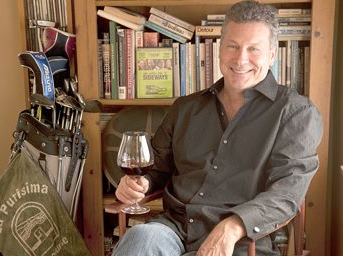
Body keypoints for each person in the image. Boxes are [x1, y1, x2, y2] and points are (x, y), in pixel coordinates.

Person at [113, 1, 323, 255]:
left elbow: (286, 194)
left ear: (272, 54)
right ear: (220, 48)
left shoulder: (297, 114)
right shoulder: (185, 108)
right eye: (232, 46)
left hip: (242, 241)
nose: (241, 58)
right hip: (175, 229)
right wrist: (139, 184)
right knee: (140, 241)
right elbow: (156, 168)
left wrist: (232, 227)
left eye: (253, 49)